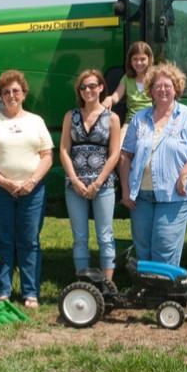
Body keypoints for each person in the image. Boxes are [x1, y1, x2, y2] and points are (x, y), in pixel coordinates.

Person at [119, 62, 187, 266]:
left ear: (176, 88)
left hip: (173, 196)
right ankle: (147, 294)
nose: (162, 90)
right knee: (143, 250)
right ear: (150, 91)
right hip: (141, 197)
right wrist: (126, 190)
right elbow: (125, 155)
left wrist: (185, 174)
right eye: (157, 86)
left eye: (167, 85)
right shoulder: (140, 118)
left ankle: (164, 296)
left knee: (164, 250)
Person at [0, 69, 53, 309]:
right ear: (1, 95)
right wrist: (5, 182)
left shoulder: (36, 121)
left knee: (29, 241)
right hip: (0, 191)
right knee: (2, 240)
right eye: (7, 91)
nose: (11, 95)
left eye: (16, 91)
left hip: (33, 191)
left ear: (24, 93)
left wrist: (30, 182)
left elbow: (47, 156)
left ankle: (30, 293)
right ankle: (3, 291)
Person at [59, 69, 121, 281]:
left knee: (105, 235)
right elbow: (64, 150)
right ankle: (83, 283)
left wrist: (98, 182)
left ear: (101, 88)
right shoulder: (71, 116)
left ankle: (107, 284)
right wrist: (75, 180)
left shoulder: (112, 118)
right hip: (74, 186)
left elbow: (114, 154)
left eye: (93, 86)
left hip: (102, 186)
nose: (88, 91)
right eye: (83, 87)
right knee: (80, 237)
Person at [102, 41, 154, 139]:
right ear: (130, 61)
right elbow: (116, 96)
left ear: (149, 59)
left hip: (152, 119)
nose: (139, 63)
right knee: (119, 144)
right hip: (131, 121)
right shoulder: (127, 78)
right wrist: (109, 99)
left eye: (143, 59)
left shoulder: (154, 77)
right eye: (135, 59)